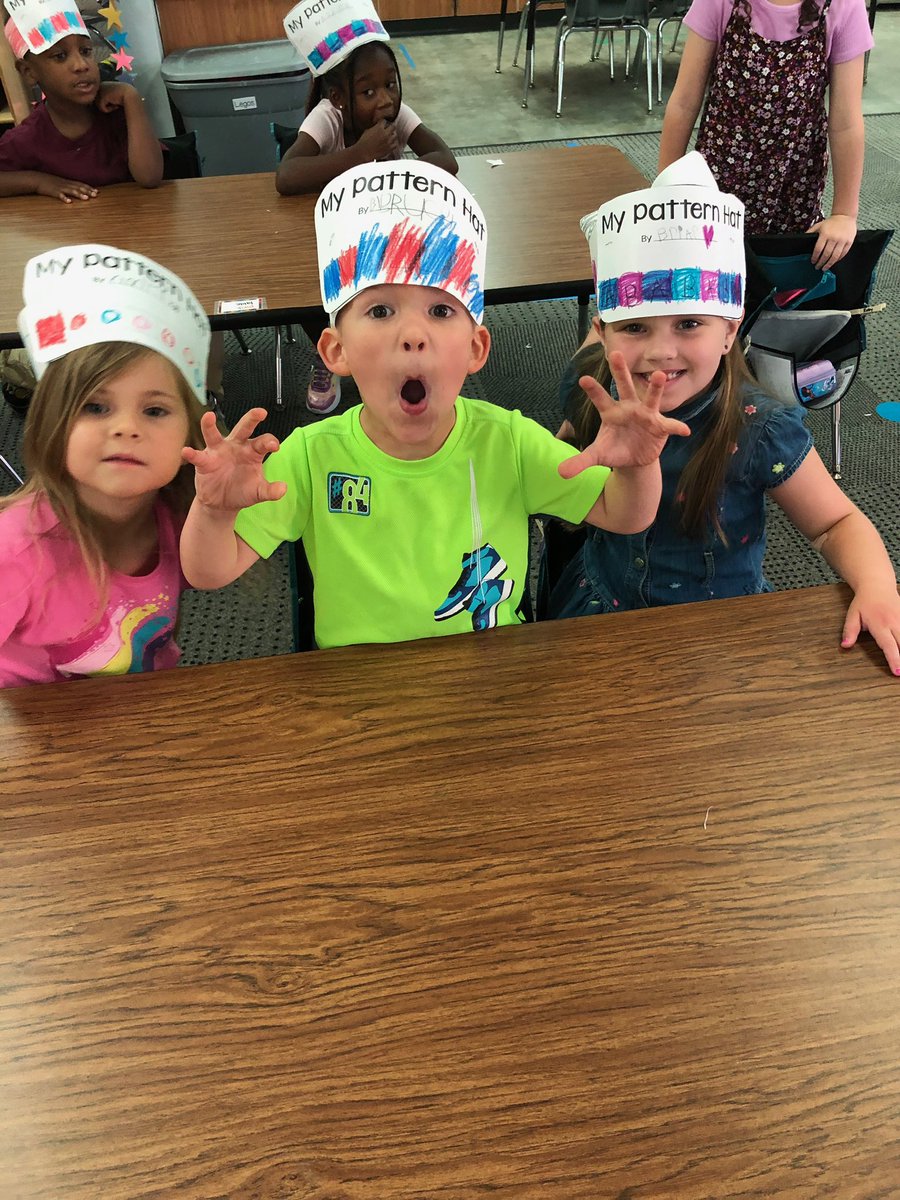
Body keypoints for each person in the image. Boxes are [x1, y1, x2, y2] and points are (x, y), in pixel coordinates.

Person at [180, 161, 690, 651]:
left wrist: (638, 468)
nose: (413, 335)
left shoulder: (508, 441)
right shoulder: (312, 456)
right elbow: (209, 572)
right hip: (359, 693)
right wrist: (213, 511)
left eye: (441, 310)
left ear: (476, 349)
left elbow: (625, 516)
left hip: (490, 677)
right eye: (380, 310)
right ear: (336, 350)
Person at [548, 153, 900, 675]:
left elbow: (836, 522)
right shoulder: (595, 388)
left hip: (720, 635)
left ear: (731, 331)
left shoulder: (758, 428)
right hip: (603, 612)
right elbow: (561, 457)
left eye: (689, 324)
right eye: (636, 327)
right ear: (602, 331)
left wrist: (876, 585)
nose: (661, 353)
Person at [0, 244, 211, 687]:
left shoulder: (179, 518)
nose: (126, 428)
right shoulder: (15, 551)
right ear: (52, 420)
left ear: (188, 435)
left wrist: (223, 503)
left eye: (154, 411)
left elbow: (210, 572)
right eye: (96, 407)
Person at [275, 0, 457, 415]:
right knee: (317, 290)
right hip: (332, 234)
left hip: (383, 232)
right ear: (338, 96)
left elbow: (446, 158)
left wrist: (395, 174)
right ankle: (329, 356)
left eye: (390, 85)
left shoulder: (397, 114)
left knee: (398, 288)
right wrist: (359, 155)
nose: (384, 99)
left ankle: (386, 350)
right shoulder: (327, 118)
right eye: (368, 91)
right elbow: (286, 176)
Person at [657, 0, 873, 271]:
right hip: (717, 188)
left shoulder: (843, 6)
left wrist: (844, 213)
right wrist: (662, 194)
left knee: (780, 289)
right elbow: (684, 102)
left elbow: (846, 122)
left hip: (793, 190)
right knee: (710, 285)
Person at [0, 1, 163, 201]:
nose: (81, 65)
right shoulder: (26, 138)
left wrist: (131, 97)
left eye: (86, 51)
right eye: (60, 56)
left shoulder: (115, 112)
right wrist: (39, 181)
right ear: (28, 71)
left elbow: (150, 177)